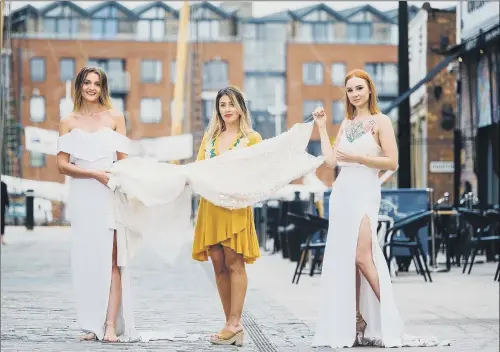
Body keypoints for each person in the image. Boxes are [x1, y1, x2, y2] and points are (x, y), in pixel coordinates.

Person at [311, 69, 440, 348]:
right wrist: (321, 127)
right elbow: (332, 162)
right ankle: (356, 321)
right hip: (342, 193)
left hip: (365, 192)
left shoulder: (381, 121)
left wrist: (359, 157)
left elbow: (392, 162)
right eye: (349, 90)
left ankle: (390, 319)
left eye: (359, 88)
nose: (355, 94)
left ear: (369, 89)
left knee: (362, 256)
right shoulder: (345, 124)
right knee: (347, 260)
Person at [57, 66, 132, 342]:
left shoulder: (115, 117)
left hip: (108, 192)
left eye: (96, 83)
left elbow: (124, 162)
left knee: (112, 259)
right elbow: (62, 166)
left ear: (103, 88)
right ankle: (93, 323)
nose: (91, 87)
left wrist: (111, 178)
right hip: (83, 194)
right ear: (79, 86)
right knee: (88, 259)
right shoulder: (68, 121)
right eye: (87, 82)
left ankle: (110, 325)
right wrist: (92, 174)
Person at [192, 86, 262, 347]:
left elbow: (259, 174)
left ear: (241, 107)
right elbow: (199, 170)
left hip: (235, 208)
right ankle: (230, 325)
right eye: (223, 105)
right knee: (218, 266)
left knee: (234, 264)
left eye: (232, 104)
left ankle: (235, 322)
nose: (227, 109)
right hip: (210, 207)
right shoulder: (210, 138)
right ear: (218, 109)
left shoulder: (252, 138)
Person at [1, 180, 9, 245]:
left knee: (1, 222)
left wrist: (7, 204)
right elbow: (6, 196)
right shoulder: (3, 185)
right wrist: (7, 204)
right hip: (2, 206)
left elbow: (5, 195)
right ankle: (2, 239)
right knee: (1, 222)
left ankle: (2, 239)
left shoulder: (3, 185)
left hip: (2, 206)